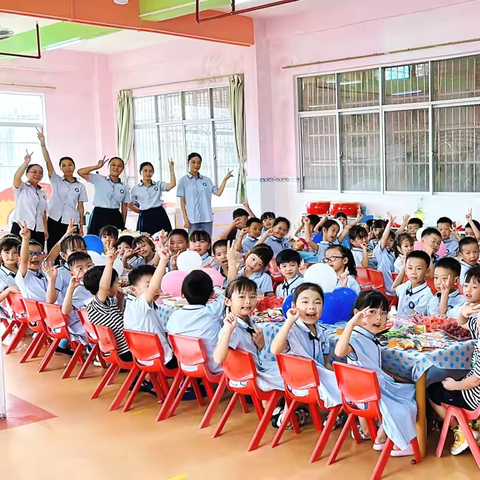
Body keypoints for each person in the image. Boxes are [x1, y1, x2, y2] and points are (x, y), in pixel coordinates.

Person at [335, 290, 418, 456]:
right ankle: (401, 443)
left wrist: (396, 378)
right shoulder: (355, 337)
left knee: (409, 389)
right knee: (408, 402)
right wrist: (351, 324)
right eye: (371, 312)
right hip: (368, 395)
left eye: (383, 313)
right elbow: (339, 352)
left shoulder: (367, 336)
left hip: (367, 391)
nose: (379, 318)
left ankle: (382, 437)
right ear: (357, 315)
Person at [427, 266, 480, 454]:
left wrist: (454, 386)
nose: (468, 290)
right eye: (467, 285)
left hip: (475, 397)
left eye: (474, 286)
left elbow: (475, 380)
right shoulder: (476, 317)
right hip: (474, 386)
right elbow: (464, 323)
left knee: (433, 390)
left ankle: (460, 430)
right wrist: (464, 314)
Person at [167, 246, 237, 375]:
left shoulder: (174, 315)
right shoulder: (211, 311)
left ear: (182, 294)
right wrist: (232, 262)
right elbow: (230, 290)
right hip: (213, 367)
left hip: (185, 364)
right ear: (211, 295)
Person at [271, 283, 341, 409]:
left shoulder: (323, 332)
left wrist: (337, 377)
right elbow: (275, 350)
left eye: (317, 302)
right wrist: (289, 321)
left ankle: (336, 415)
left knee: (348, 387)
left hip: (318, 380)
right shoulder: (291, 330)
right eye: (305, 302)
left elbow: (325, 363)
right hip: (299, 384)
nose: (312, 307)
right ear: (294, 306)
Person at [214, 277, 284, 392]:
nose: (248, 301)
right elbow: (218, 358)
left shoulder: (249, 321)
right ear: (228, 301)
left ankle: (280, 407)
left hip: (252, 372)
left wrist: (260, 344)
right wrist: (227, 331)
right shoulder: (232, 328)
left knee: (290, 371)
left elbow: (251, 352)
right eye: (241, 297)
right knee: (293, 378)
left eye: (252, 296)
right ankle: (283, 409)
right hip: (248, 378)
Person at [124, 246, 177, 369]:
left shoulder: (131, 303)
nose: (156, 289)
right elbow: (153, 288)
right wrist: (163, 261)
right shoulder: (139, 304)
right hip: (160, 358)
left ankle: (147, 378)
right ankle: (188, 386)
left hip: (142, 356)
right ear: (133, 289)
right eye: (149, 285)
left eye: (159, 284)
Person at [37, 128, 87, 251]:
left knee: (70, 248)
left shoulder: (80, 186)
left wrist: (81, 225)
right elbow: (48, 161)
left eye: (70, 165)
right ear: (60, 168)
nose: (67, 167)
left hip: (71, 220)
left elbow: (80, 207)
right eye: (63, 165)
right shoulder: (56, 180)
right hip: (54, 218)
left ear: (74, 166)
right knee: (53, 246)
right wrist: (43, 143)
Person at [83, 251, 133, 363]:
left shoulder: (106, 303)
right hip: (125, 352)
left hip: (117, 351)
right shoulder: (97, 303)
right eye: (116, 282)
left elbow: (117, 316)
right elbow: (103, 287)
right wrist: (110, 263)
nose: (118, 284)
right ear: (108, 288)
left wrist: (119, 299)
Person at [177, 152, 233, 236]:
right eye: (193, 162)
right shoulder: (183, 181)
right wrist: (185, 219)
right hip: (192, 219)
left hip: (207, 218)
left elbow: (218, 193)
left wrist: (225, 180)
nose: (196, 165)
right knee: (193, 243)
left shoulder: (206, 180)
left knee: (207, 242)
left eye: (199, 163)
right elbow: (182, 202)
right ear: (188, 162)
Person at [78, 156, 130, 236]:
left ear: (122, 169)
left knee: (115, 241)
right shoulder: (99, 179)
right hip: (99, 214)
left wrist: (123, 223)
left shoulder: (124, 186)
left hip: (115, 215)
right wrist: (97, 166)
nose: (116, 168)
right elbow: (80, 172)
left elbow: (124, 206)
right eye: (113, 165)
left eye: (119, 166)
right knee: (96, 240)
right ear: (108, 166)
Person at [11, 151, 48, 245]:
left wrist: (45, 230)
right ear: (27, 173)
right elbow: (16, 176)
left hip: (38, 230)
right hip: (21, 228)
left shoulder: (42, 192)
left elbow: (43, 213)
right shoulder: (21, 187)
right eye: (34, 172)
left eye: (40, 173)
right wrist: (26, 162)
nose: (38, 174)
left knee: (37, 256)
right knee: (19, 254)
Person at [129, 161, 176, 235]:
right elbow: (129, 204)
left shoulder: (158, 184)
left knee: (164, 236)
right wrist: (140, 212)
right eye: (145, 171)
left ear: (153, 173)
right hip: (145, 216)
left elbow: (172, 185)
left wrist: (171, 170)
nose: (148, 173)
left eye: (150, 171)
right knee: (145, 239)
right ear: (140, 172)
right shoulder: (135, 188)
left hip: (159, 213)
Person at [15, 221, 47, 302]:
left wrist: (67, 234)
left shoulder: (44, 271)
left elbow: (54, 253)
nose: (35, 256)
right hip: (38, 313)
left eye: (39, 253)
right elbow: (24, 260)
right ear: (19, 259)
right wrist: (25, 239)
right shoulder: (23, 276)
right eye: (30, 253)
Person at [394, 251, 433, 317]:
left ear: (427, 271)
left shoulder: (426, 294)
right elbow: (394, 288)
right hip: (398, 325)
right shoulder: (407, 285)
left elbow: (414, 318)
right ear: (406, 270)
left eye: (418, 268)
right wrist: (403, 270)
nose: (413, 272)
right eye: (410, 268)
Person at [373, 213, 396, 296]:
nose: (388, 242)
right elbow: (384, 238)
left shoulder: (392, 252)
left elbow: (396, 236)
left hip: (393, 285)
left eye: (391, 240)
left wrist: (404, 223)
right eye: (387, 240)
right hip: (386, 288)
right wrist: (389, 223)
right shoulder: (380, 251)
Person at [0, 237, 21, 307]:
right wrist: (8, 290)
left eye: (15, 252)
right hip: (10, 312)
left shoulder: (26, 269)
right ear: (0, 254)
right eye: (7, 252)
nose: (10, 256)